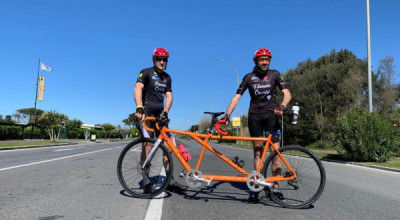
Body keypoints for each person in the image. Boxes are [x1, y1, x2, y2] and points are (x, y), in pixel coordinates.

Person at [222, 48, 291, 202]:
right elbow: (236, 98)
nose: (265, 62)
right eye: (261, 59)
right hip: (255, 117)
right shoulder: (248, 77)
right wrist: (227, 115)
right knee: (258, 152)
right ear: (256, 61)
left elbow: (287, 93)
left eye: (267, 59)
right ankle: (257, 185)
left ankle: (276, 187)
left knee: (276, 153)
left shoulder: (275, 74)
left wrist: (282, 106)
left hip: (272, 116)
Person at [134, 48, 183, 192]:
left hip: (160, 115)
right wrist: (139, 107)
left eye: (164, 59)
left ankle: (169, 180)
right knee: (148, 147)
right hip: (147, 113)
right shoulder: (146, 72)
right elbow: (138, 88)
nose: (162, 62)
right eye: (158, 59)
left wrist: (165, 111)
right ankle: (146, 180)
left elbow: (169, 96)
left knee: (168, 148)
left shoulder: (167, 78)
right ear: (153, 60)